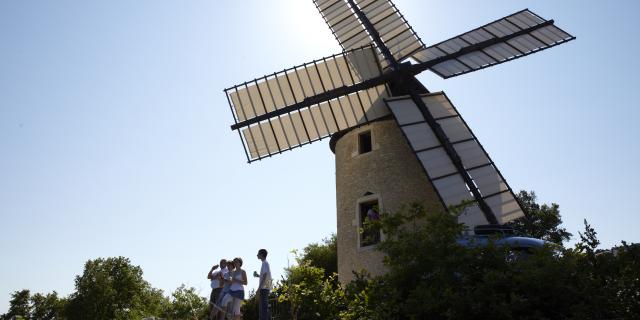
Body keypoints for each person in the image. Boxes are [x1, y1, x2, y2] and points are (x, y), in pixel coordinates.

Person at [254, 249, 272, 320]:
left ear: (261, 254)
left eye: (258, 253)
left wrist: (259, 289)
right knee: (264, 307)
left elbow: (264, 276)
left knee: (263, 308)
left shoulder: (264, 263)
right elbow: (265, 275)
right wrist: (258, 275)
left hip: (264, 288)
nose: (257, 255)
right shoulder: (265, 263)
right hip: (266, 287)